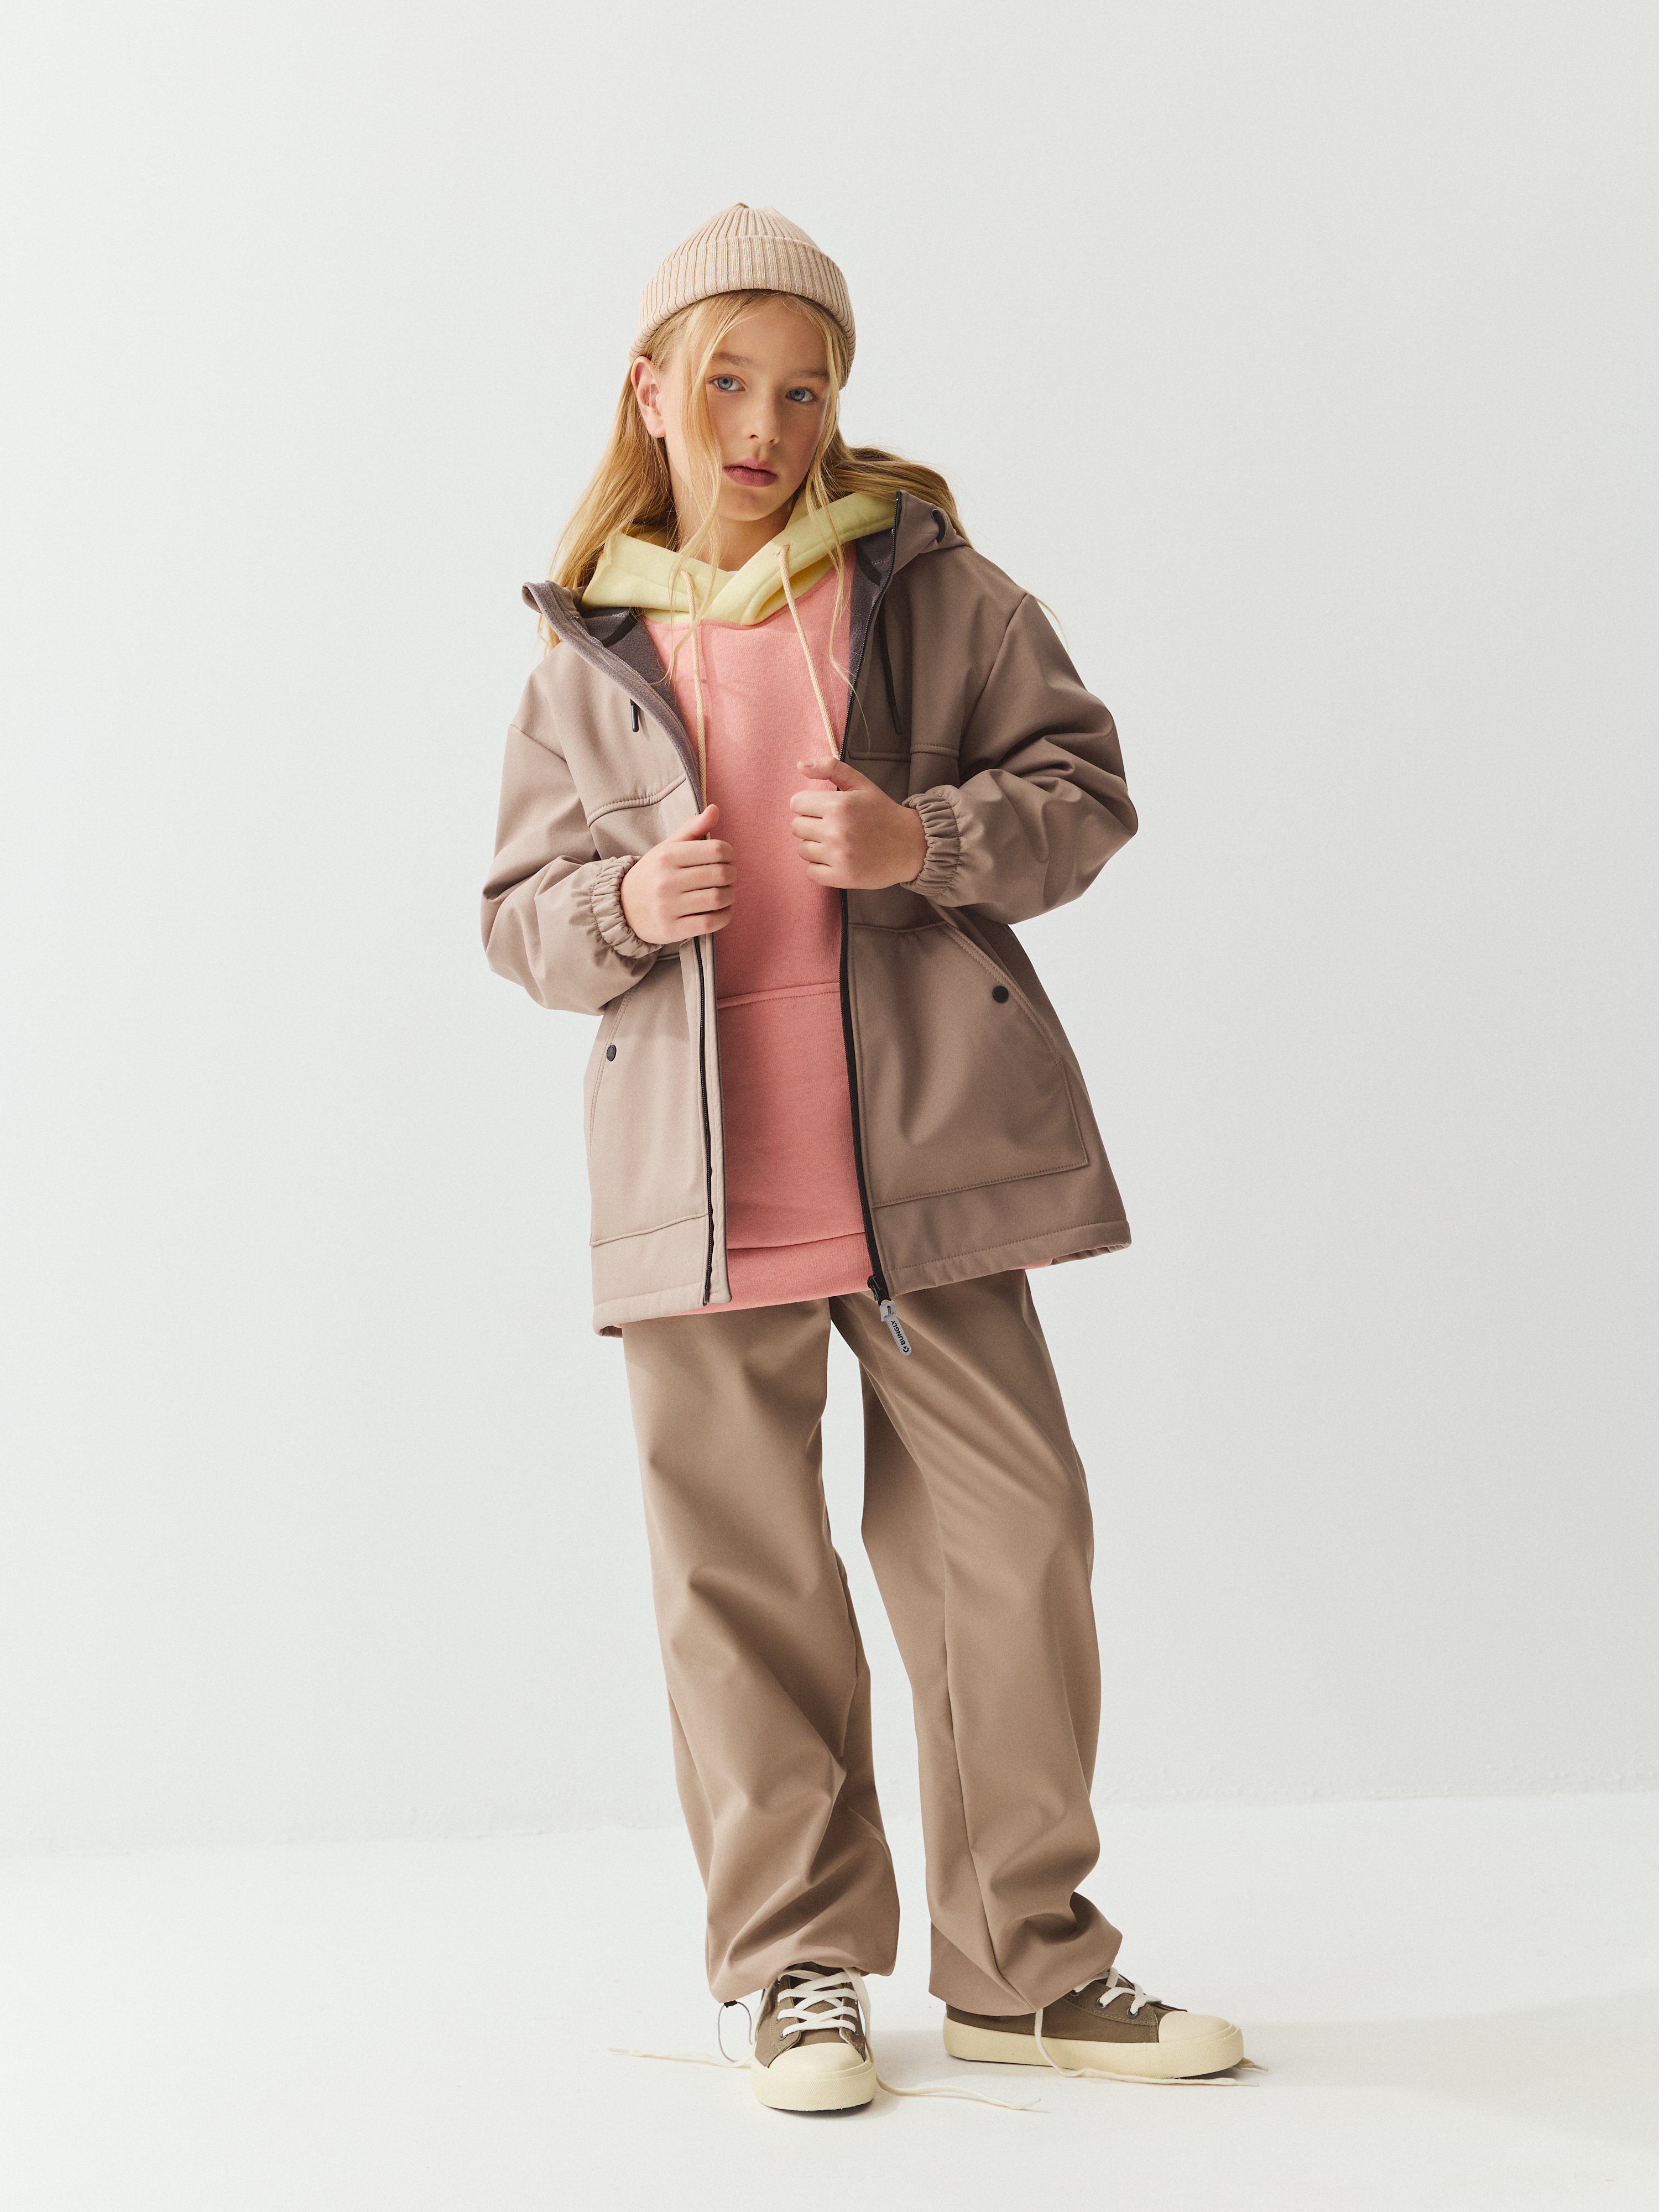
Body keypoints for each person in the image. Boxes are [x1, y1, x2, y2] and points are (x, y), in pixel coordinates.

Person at [482, 203, 1243, 2112]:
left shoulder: (931, 592)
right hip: (700, 1199)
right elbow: (516, 916)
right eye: (727, 383)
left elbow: (1082, 789)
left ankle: (1026, 1967)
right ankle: (794, 1970)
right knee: (741, 1585)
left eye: (803, 390)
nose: (765, 427)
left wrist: (930, 843)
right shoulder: (587, 647)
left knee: (1014, 1542)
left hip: (926, 1176)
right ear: (651, 392)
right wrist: (625, 907)